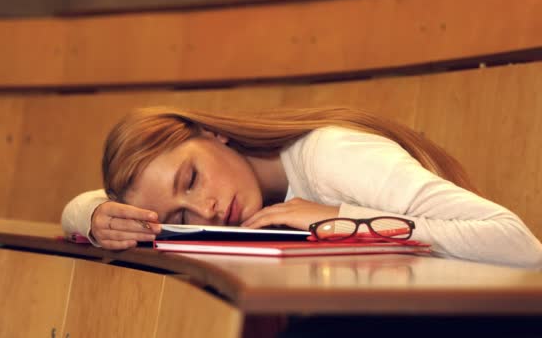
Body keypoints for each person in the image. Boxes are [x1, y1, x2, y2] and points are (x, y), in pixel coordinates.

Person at [61, 106, 542, 268]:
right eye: (180, 218)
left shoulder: (331, 156)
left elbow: (520, 245)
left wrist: (339, 220)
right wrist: (88, 215)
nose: (205, 211)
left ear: (211, 133)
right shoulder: (253, 202)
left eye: (192, 178)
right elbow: (89, 204)